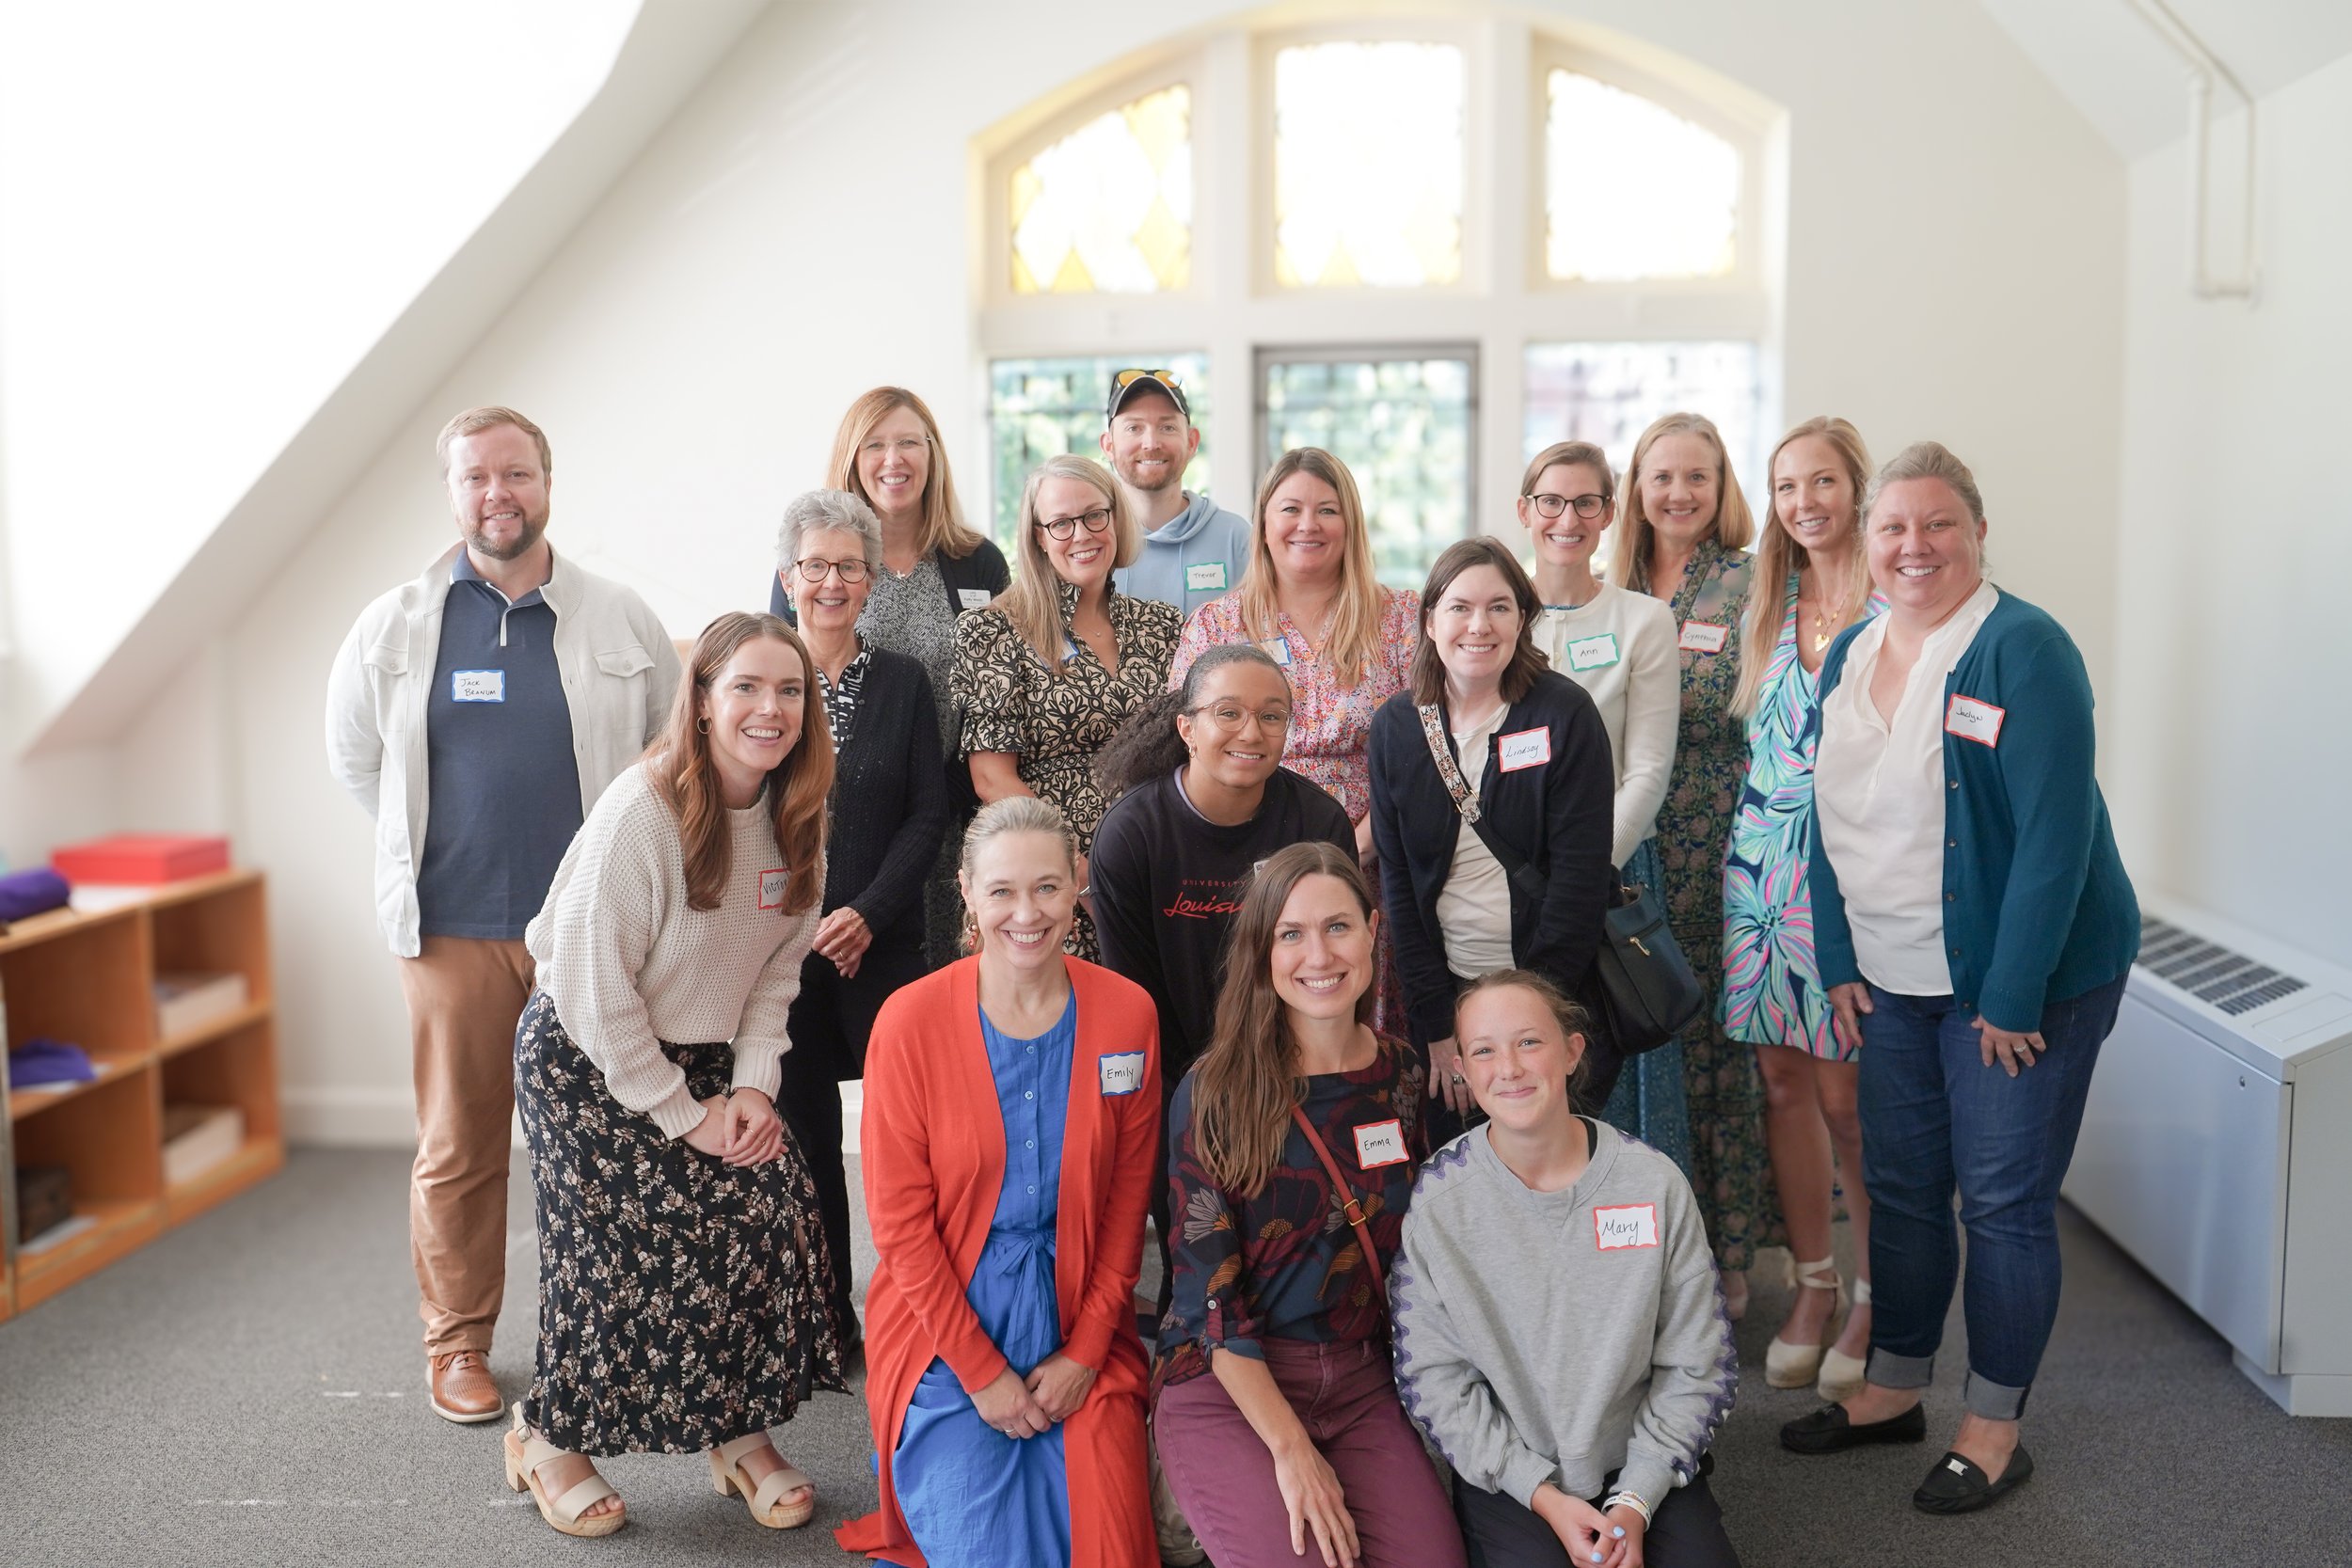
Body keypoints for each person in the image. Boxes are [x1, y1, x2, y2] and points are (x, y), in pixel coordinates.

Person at [1780, 443, 2138, 1515]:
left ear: (1978, 532)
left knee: (2003, 1201)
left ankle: (1992, 1427)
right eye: (1893, 526)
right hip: (1892, 975)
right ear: (1868, 540)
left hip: (2020, 983)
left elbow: (2056, 838)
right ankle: (1894, 1387)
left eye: (1937, 523)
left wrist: (2013, 993)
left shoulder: (2023, 647)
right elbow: (1826, 810)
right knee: (1898, 1187)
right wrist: (1839, 956)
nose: (1914, 545)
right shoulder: (1852, 648)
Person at [324, 404, 679, 1424]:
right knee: (460, 1146)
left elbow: (673, 753)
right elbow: (357, 761)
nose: (498, 494)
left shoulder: (620, 616)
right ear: (452, 491)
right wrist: (445, 847)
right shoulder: (394, 624)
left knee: (612, 1141)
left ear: (547, 481)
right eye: (476, 476)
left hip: (592, 934)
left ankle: (612, 1336)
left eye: (516, 473)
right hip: (451, 932)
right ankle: (458, 1344)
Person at [504, 610, 841, 1538]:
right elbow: (593, 990)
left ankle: (736, 1430)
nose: (770, 709)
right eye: (746, 687)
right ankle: (548, 1436)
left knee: (757, 1223)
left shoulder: (799, 812)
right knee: (609, 1260)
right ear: (700, 701)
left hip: (706, 1058)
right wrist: (682, 1113)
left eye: (790, 690)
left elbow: (777, 970)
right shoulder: (642, 811)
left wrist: (753, 1088)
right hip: (588, 1057)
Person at [837, 797, 1160, 1568]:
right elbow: (901, 1230)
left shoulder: (1127, 1014)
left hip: (1080, 1315)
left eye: (1047, 886)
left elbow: (1127, 1205)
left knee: (1107, 1547)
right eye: (1003, 890)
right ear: (967, 892)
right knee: (992, 1550)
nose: (1027, 912)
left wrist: (1087, 1351)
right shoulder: (909, 1022)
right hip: (945, 1330)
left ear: (1077, 882)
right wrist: (982, 1374)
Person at [1154, 842, 1466, 1568]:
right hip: (1231, 1382)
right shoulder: (1215, 1091)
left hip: (1359, 1382)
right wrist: (1292, 1450)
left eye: (1337, 927)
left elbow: (1418, 1249)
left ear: (1373, 930)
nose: (1318, 954)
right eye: (1290, 933)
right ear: (1262, 950)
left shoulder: (1400, 1073)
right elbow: (1210, 1305)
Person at [1394, 970, 1741, 1568]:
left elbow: (1698, 1361)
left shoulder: (1652, 1183)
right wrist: (1540, 1493)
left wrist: (1635, 1499)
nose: (1509, 1067)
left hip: (1639, 1460)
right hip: (1513, 1476)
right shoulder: (1441, 1200)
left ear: (1572, 1052)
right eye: (1484, 1051)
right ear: (1463, 1070)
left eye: (1529, 1041)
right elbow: (1434, 1378)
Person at [1089, 642, 1357, 1315]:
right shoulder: (1132, 834)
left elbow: (1332, 964)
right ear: (1187, 726)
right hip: (1181, 1074)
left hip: (1295, 1061)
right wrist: (1200, 1095)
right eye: (1228, 712)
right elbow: (1135, 998)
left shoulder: (1317, 821)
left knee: (1298, 1258)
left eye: (1272, 716)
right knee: (1201, 1267)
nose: (1251, 732)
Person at [1720, 419, 1885, 1400]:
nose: (1803, 502)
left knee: (1848, 1100)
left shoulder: (1894, 594)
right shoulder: (1768, 599)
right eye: (1786, 486)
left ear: (1856, 488)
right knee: (1780, 1084)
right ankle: (1813, 1284)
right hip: (1760, 869)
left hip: (1852, 875)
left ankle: (1875, 1291)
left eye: (1822, 481)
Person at [771, 489, 949, 1357]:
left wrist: (866, 912)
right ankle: (826, 1318)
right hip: (780, 953)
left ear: (873, 580)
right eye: (816, 566)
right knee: (806, 1139)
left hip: (883, 946)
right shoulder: (765, 680)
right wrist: (805, 917)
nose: (833, 582)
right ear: (788, 578)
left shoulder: (904, 682)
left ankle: (916, 1311)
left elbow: (928, 814)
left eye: (850, 566)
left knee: (904, 1141)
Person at [1611, 410, 1778, 1319]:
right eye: (1662, 476)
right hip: (1628, 844)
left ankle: (1728, 1248)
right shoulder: (1610, 589)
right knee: (1647, 1038)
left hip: (1720, 841)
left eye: (1697, 477)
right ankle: (1648, 1248)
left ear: (1722, 488)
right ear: (1636, 488)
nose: (1678, 493)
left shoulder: (1754, 583)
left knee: (1718, 1044)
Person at [1367, 538, 1617, 1146]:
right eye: (1460, 607)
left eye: (1499, 607)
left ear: (1522, 619)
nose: (1479, 625)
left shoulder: (1565, 714)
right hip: (1448, 997)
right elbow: (1400, 889)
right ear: (1430, 621)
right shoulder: (1396, 727)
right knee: (1462, 1164)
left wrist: (1528, 1025)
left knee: (1552, 1161)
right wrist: (1438, 1026)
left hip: (1555, 995)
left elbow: (1580, 882)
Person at [772, 387, 1010, 967]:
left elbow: (1004, 690)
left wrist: (940, 801)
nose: (893, 459)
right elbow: (781, 679)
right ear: (851, 458)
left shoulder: (978, 562)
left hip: (954, 812)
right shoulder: (811, 562)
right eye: (874, 444)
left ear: (933, 453)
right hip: (840, 824)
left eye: (909, 442)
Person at [953, 453, 1184, 963]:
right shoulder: (993, 630)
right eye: (1061, 523)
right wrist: (1079, 875)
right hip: (1048, 885)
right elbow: (991, 778)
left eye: (1094, 515)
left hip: (1158, 863)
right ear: (1038, 536)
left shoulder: (1164, 626)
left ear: (1115, 518)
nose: (1082, 534)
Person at [1097, 368, 1254, 617]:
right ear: (1108, 445)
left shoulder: (1236, 539)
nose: (1151, 443)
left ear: (1191, 442)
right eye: (1134, 428)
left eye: (1167, 427)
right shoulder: (1092, 539)